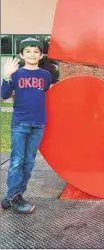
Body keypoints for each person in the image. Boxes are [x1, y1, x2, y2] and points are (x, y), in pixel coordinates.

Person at [1, 37, 52, 213]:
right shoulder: (16, 73)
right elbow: (4, 95)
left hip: (38, 124)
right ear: (22, 54)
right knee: (16, 161)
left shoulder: (46, 76)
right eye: (28, 51)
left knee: (29, 162)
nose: (32, 54)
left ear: (41, 54)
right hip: (20, 123)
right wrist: (6, 76)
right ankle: (14, 197)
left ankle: (14, 196)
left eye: (36, 51)